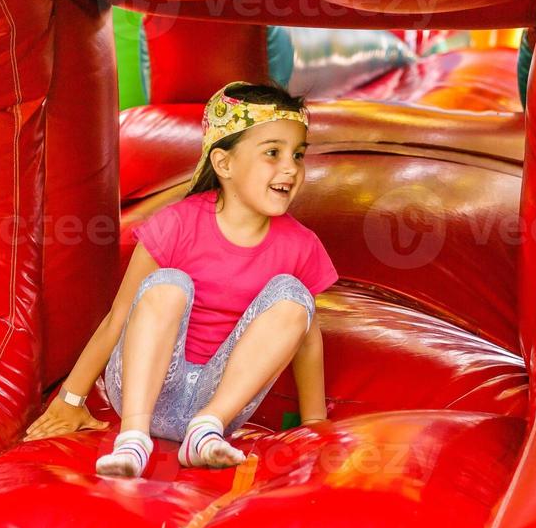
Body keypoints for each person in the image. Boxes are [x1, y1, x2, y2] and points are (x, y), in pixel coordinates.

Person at [22, 81, 339, 479]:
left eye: (297, 155)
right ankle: (134, 439)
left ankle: (204, 431)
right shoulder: (176, 225)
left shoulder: (300, 246)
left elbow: (306, 339)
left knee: (295, 299)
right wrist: (71, 398)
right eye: (272, 153)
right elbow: (119, 317)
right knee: (168, 283)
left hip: (221, 399)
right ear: (223, 164)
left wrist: (314, 427)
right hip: (145, 388)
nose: (291, 168)